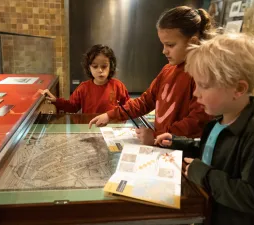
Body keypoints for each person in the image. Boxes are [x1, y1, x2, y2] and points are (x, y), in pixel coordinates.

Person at [155, 33, 254, 225]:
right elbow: (211, 151)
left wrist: (203, 174)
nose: (196, 93)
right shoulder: (217, 122)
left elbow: (253, 198)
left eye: (203, 86)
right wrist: (180, 143)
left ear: (238, 89)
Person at [89, 6, 213, 145]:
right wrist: (110, 115)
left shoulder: (201, 76)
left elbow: (196, 122)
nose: (164, 51)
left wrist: (156, 137)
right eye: (163, 45)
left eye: (170, 45)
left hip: (178, 154)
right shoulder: (167, 70)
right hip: (161, 145)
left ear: (193, 43)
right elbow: (146, 101)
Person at [39, 44, 130, 113]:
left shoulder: (118, 86)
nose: (100, 70)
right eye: (95, 66)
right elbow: (72, 106)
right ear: (88, 68)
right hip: (90, 128)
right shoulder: (84, 88)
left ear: (111, 66)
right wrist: (56, 101)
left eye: (104, 66)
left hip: (112, 130)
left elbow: (128, 107)